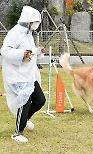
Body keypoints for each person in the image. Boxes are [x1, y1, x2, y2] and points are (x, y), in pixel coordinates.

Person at [1, 6, 46, 142]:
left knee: (40, 100)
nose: (34, 25)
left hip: (28, 74)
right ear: (27, 20)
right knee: (24, 101)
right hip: (17, 74)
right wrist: (21, 54)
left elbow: (29, 52)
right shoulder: (15, 33)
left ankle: (25, 119)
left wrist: (37, 51)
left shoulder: (28, 33)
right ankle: (17, 133)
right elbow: (5, 51)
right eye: (33, 22)